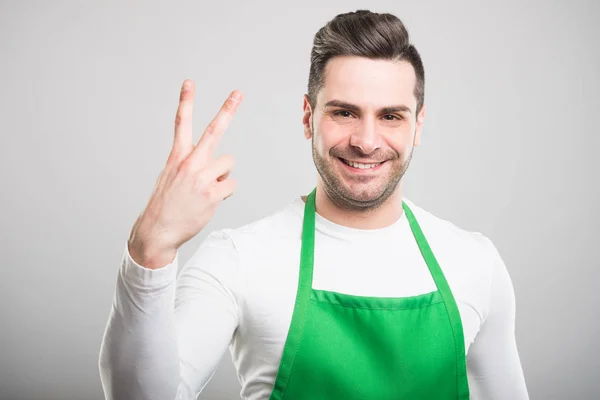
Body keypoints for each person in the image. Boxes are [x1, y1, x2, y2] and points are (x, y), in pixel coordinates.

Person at [98, 9, 529, 400]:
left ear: (418, 124)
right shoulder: (238, 260)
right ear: (308, 118)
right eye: (344, 113)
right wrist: (150, 250)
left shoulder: (475, 263)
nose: (366, 141)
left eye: (391, 116)